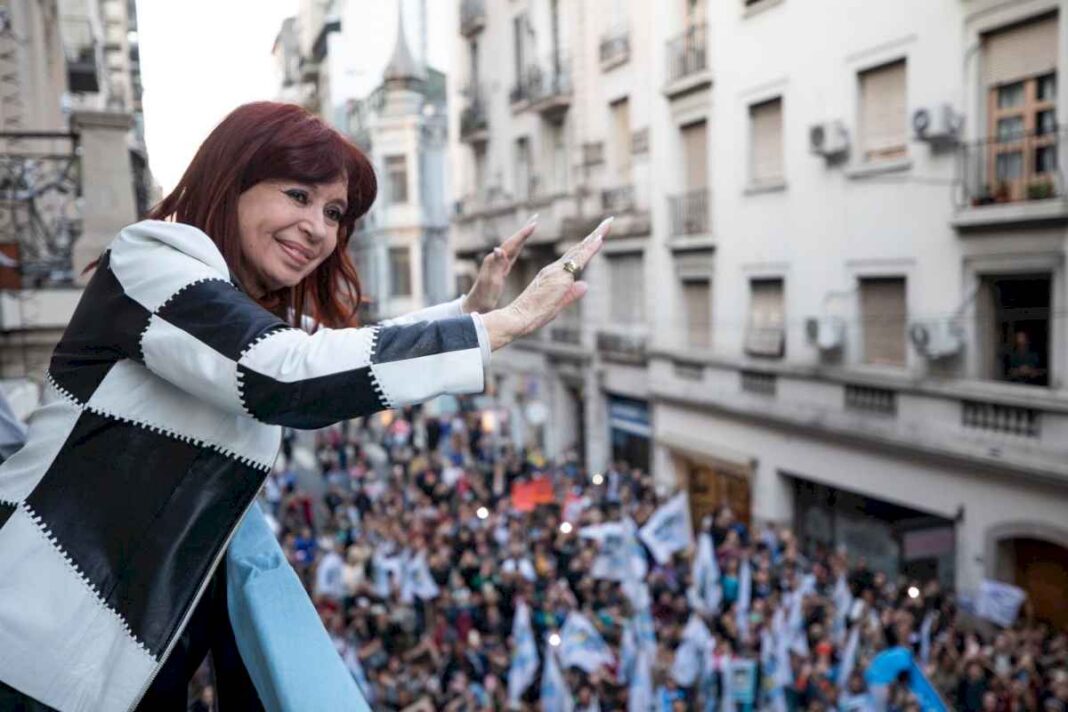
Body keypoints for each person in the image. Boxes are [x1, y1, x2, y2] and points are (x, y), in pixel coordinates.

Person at [0, 101, 609, 711]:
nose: (320, 228)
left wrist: (466, 313)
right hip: (28, 634)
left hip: (108, 666)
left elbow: (317, 352)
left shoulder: (241, 312)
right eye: (297, 195)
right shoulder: (152, 258)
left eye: (335, 212)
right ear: (230, 181)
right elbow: (282, 372)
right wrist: (501, 327)